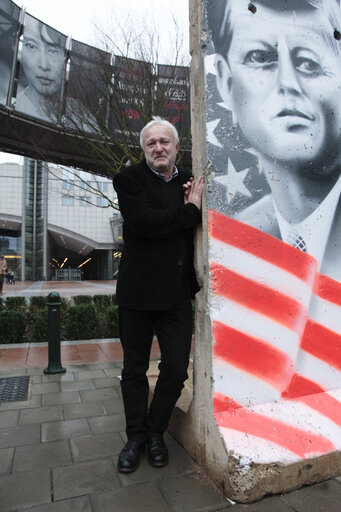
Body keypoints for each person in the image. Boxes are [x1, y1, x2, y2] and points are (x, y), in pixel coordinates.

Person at [209, 0, 341, 282]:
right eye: (260, 57)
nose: (287, 83)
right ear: (226, 81)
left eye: (309, 62)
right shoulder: (234, 244)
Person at [113, 116, 203, 473]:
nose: (158, 148)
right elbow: (143, 223)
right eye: (151, 143)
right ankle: (135, 437)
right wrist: (189, 212)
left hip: (177, 294)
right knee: (134, 370)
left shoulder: (190, 183)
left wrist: (191, 209)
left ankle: (155, 432)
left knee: (177, 368)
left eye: (165, 142)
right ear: (143, 150)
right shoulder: (129, 180)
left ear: (177, 147)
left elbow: (191, 225)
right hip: (136, 293)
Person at [15, 15, 65, 122]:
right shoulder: (14, 104)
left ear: (65, 57)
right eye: (32, 46)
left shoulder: (82, 115)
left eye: (53, 51)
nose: (43, 64)